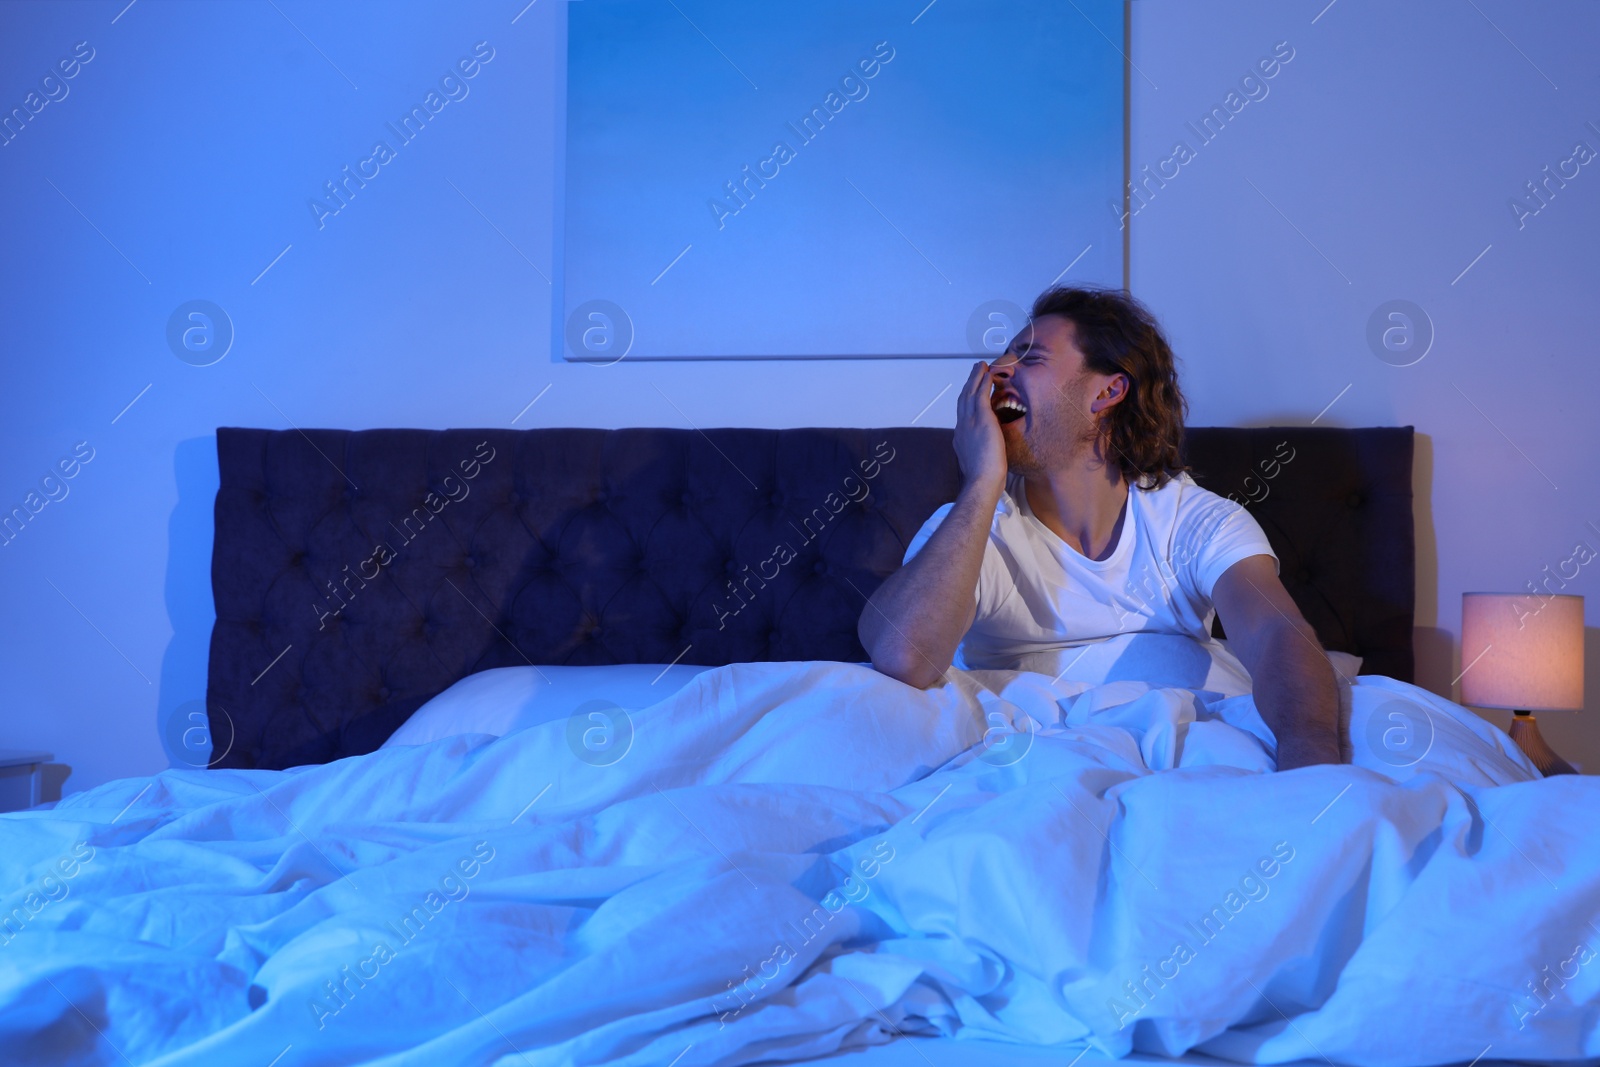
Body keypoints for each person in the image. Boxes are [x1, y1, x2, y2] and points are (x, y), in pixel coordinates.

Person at [857, 286, 1342, 771]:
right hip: (1018, 761)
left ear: (1107, 391)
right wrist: (982, 483)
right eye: (1006, 352)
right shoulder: (971, 525)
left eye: (1031, 358)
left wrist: (1310, 770)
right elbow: (903, 658)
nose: (999, 368)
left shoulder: (1193, 521)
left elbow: (1278, 635)